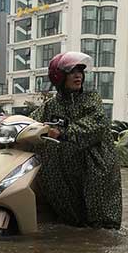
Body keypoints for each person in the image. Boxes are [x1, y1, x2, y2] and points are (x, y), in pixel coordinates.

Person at [32, 51, 122, 229]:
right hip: (63, 172)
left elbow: (97, 123)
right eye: (72, 72)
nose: (78, 75)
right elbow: (29, 122)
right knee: (70, 223)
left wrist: (63, 132)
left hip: (94, 167)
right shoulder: (50, 106)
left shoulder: (91, 99)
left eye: (80, 72)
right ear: (59, 76)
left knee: (100, 226)